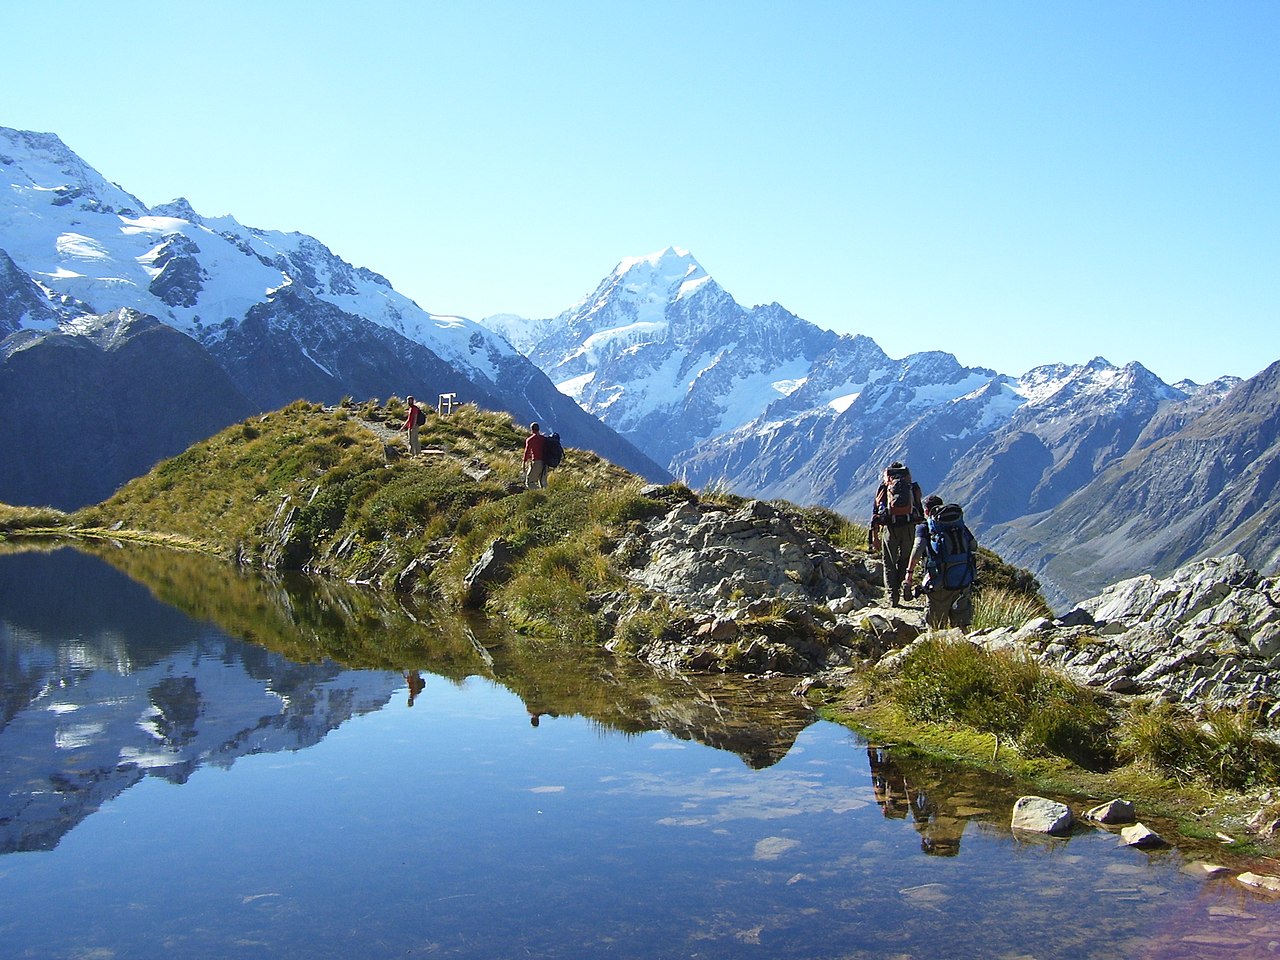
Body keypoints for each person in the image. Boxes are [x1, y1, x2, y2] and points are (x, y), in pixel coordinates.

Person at [904, 495, 977, 630]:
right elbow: (973, 545)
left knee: (936, 626)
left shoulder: (925, 527)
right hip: (962, 581)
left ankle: (939, 649)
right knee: (961, 626)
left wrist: (909, 575)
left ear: (926, 511)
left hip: (939, 583)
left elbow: (917, 549)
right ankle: (965, 648)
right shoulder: (958, 525)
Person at [870, 461, 924, 606]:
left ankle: (892, 595)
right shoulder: (911, 487)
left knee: (889, 561)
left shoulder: (885, 487)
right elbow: (919, 508)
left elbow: (876, 512)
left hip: (890, 528)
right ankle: (901, 586)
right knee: (905, 559)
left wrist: (875, 536)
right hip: (909, 528)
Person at [523, 421, 548, 489]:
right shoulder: (544, 439)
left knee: (530, 482)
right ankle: (546, 496)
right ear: (538, 429)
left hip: (536, 462)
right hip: (545, 463)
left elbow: (527, 451)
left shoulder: (530, 440)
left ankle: (538, 495)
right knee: (543, 483)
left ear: (531, 429)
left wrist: (524, 461)